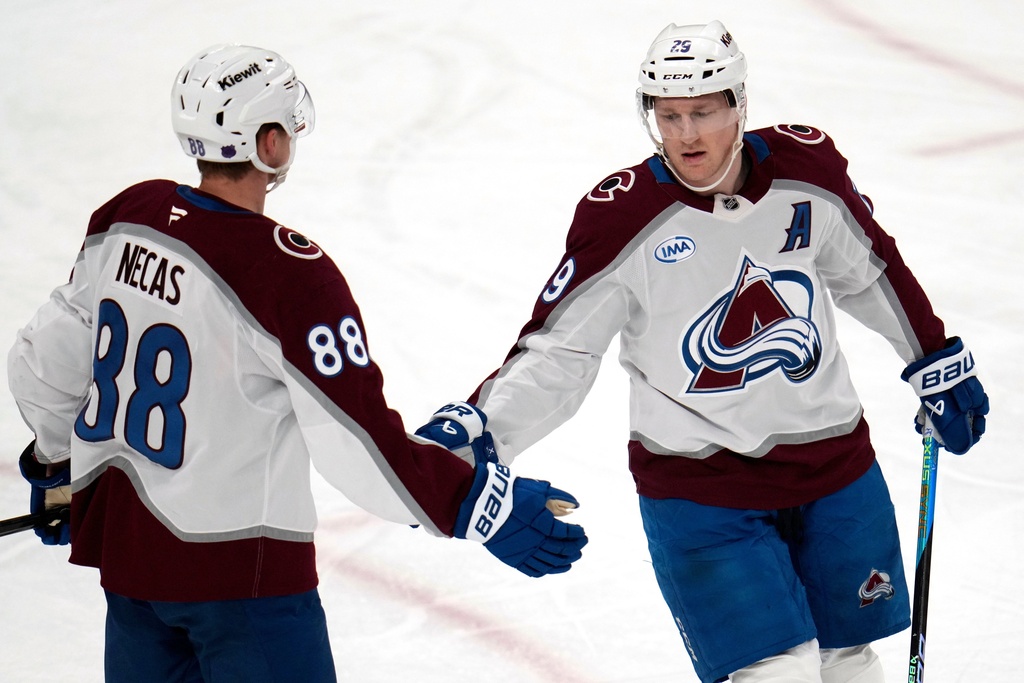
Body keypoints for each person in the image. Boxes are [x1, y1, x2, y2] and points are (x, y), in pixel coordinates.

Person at [418, 21, 989, 683]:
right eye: (670, 114)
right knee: (777, 674)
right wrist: (481, 436)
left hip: (833, 468)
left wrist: (932, 357)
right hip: (703, 491)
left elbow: (870, 270)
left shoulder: (810, 173)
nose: (686, 134)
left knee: (849, 665)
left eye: (703, 111)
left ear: (738, 105)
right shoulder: (623, 217)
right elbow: (558, 353)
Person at [8, 44, 586, 683]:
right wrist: (476, 502)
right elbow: (358, 444)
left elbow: (42, 361)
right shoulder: (285, 273)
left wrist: (58, 464)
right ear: (272, 144)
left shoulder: (128, 217)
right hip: (245, 587)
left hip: (132, 577)